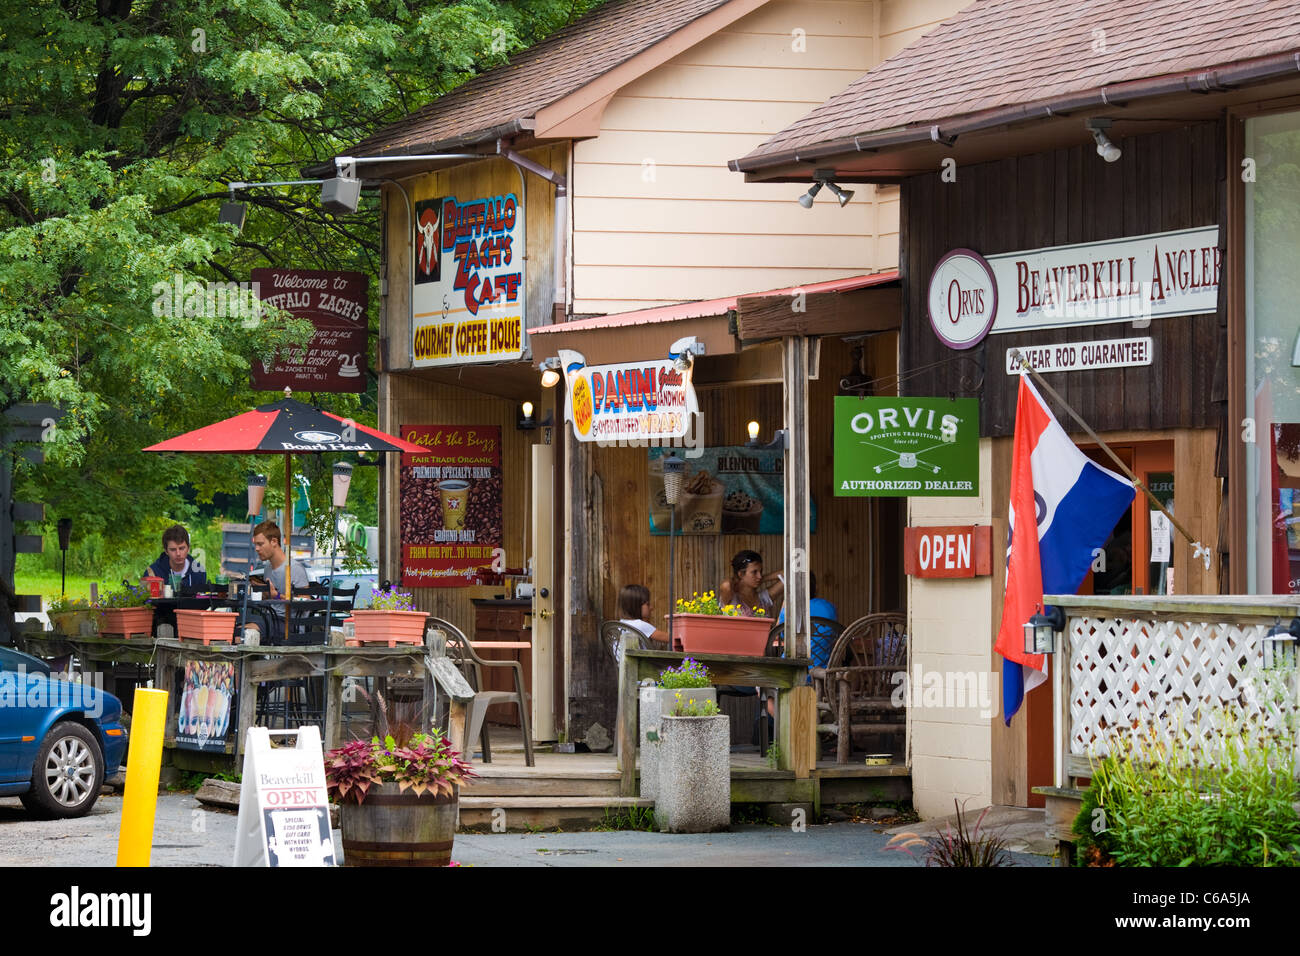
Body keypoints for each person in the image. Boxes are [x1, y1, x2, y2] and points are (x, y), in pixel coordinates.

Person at [240, 520, 310, 643]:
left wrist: (277, 596)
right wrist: (263, 591)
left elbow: (306, 602)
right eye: (255, 544)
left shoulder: (294, 568)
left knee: (244, 632)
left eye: (260, 544)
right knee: (237, 625)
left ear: (274, 541)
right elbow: (271, 599)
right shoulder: (268, 569)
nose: (257, 549)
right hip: (271, 619)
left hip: (290, 625)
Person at [776, 572, 840, 669]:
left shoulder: (789, 610)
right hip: (822, 672)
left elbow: (777, 636)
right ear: (816, 587)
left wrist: (786, 602)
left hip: (790, 671)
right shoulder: (829, 607)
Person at [718, 549, 783, 618]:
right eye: (754, 572)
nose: (759, 576)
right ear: (741, 574)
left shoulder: (763, 599)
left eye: (760, 571)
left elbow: (788, 574)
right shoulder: (732, 598)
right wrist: (737, 580)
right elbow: (726, 585)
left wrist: (763, 578)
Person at [144, 524, 208, 592]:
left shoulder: (199, 572)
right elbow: (143, 597)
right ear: (166, 551)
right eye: (173, 549)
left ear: (188, 548)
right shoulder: (153, 572)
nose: (178, 554)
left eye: (181, 548)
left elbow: (202, 597)